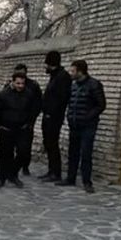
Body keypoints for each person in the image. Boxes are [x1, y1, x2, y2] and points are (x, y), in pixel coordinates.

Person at [56, 59, 106, 193]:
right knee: (73, 153)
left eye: (73, 71)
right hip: (74, 124)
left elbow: (101, 105)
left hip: (88, 126)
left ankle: (87, 181)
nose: (71, 73)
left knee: (86, 154)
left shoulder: (94, 85)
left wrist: (87, 117)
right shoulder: (73, 85)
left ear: (80, 71)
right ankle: (70, 178)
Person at [0, 72, 31, 189]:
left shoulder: (28, 94)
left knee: (23, 152)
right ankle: (1, 178)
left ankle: (12, 174)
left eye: (22, 83)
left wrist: (29, 123)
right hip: (6, 129)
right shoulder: (3, 94)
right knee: (5, 154)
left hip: (21, 129)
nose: (20, 86)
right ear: (13, 82)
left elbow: (32, 109)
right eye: (18, 83)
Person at [39, 51, 72, 182]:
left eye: (46, 64)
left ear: (51, 64)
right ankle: (51, 170)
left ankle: (56, 172)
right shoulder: (55, 76)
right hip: (48, 116)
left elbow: (61, 99)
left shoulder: (63, 77)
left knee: (52, 144)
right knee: (48, 143)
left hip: (54, 117)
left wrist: (51, 113)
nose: (45, 67)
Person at [12, 64, 42, 177]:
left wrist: (31, 120)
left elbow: (38, 103)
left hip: (27, 122)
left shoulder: (33, 86)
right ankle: (13, 169)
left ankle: (25, 166)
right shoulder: (9, 86)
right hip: (13, 122)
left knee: (25, 147)